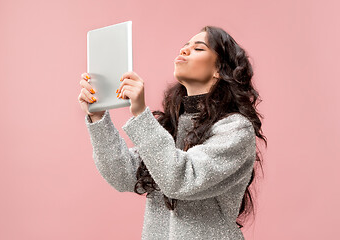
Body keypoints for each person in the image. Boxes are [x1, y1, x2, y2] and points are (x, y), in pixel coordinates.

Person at [78, 25, 267, 240]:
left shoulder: (236, 129)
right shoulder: (173, 126)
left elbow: (181, 179)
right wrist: (98, 116)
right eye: (185, 46)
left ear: (219, 69)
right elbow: (122, 175)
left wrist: (141, 113)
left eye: (198, 49)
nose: (184, 50)